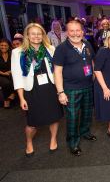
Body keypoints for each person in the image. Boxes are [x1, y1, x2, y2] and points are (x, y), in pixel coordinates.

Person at [11, 23, 63, 157]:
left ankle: (53, 139)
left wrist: (60, 91)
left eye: (39, 34)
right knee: (32, 123)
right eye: (33, 33)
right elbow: (17, 77)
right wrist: (21, 98)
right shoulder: (18, 52)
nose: (36, 36)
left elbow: (57, 72)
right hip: (31, 90)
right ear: (27, 35)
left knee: (54, 117)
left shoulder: (50, 49)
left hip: (50, 88)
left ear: (43, 35)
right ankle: (29, 142)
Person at [53, 20, 97, 156]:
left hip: (88, 86)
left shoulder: (88, 44)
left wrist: (94, 80)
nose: (75, 33)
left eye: (78, 30)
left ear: (82, 31)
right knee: (72, 117)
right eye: (71, 31)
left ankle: (85, 132)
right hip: (70, 89)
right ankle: (73, 142)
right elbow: (57, 72)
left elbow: (93, 62)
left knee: (87, 113)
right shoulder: (61, 48)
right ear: (67, 32)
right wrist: (60, 92)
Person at [0, 38, 15, 108]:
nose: (3, 47)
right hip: (0, 74)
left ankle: (8, 98)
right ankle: (11, 95)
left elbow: (15, 64)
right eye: (2, 45)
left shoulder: (12, 53)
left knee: (15, 79)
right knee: (6, 83)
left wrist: (11, 71)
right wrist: (3, 73)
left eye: (5, 45)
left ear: (9, 46)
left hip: (11, 73)